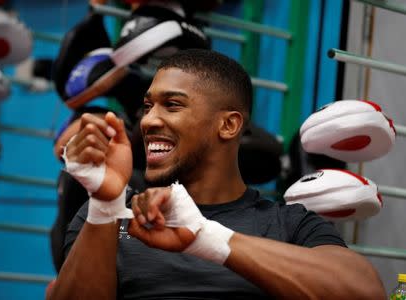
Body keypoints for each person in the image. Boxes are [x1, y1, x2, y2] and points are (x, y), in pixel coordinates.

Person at [48, 49, 385, 299]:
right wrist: (105, 202)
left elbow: (365, 291)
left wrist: (207, 238)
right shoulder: (112, 219)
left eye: (173, 105)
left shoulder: (287, 223)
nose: (148, 120)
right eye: (149, 106)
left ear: (228, 124)